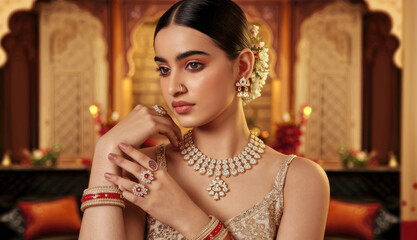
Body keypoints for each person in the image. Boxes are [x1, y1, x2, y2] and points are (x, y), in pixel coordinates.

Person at [79, 0, 329, 239]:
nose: (173, 88)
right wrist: (105, 150)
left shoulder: (299, 180)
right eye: (164, 69)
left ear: (242, 67)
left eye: (194, 65)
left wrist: (188, 219)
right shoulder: (143, 171)